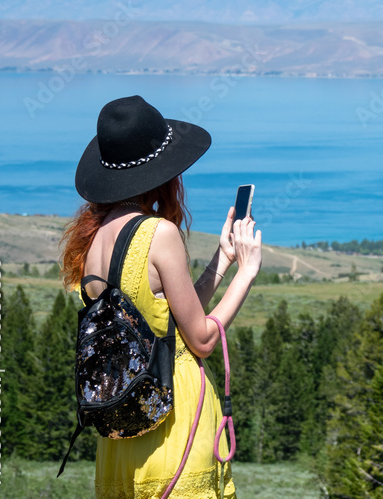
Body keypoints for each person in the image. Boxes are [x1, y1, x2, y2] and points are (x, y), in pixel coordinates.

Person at [60, 95, 261, 498]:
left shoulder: (93, 241)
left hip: (122, 430)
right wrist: (247, 271)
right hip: (172, 416)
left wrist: (221, 261)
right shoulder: (158, 233)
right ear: (162, 173)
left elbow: (162, 316)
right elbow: (201, 339)